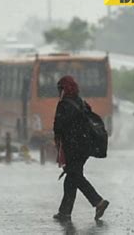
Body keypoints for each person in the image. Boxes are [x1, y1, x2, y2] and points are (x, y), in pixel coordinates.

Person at [53, 75, 109, 222]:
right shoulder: (81, 102)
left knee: (75, 176)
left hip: (73, 147)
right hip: (85, 147)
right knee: (71, 177)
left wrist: (58, 141)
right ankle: (64, 212)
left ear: (64, 89)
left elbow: (58, 127)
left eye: (60, 89)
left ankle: (98, 201)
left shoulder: (64, 105)